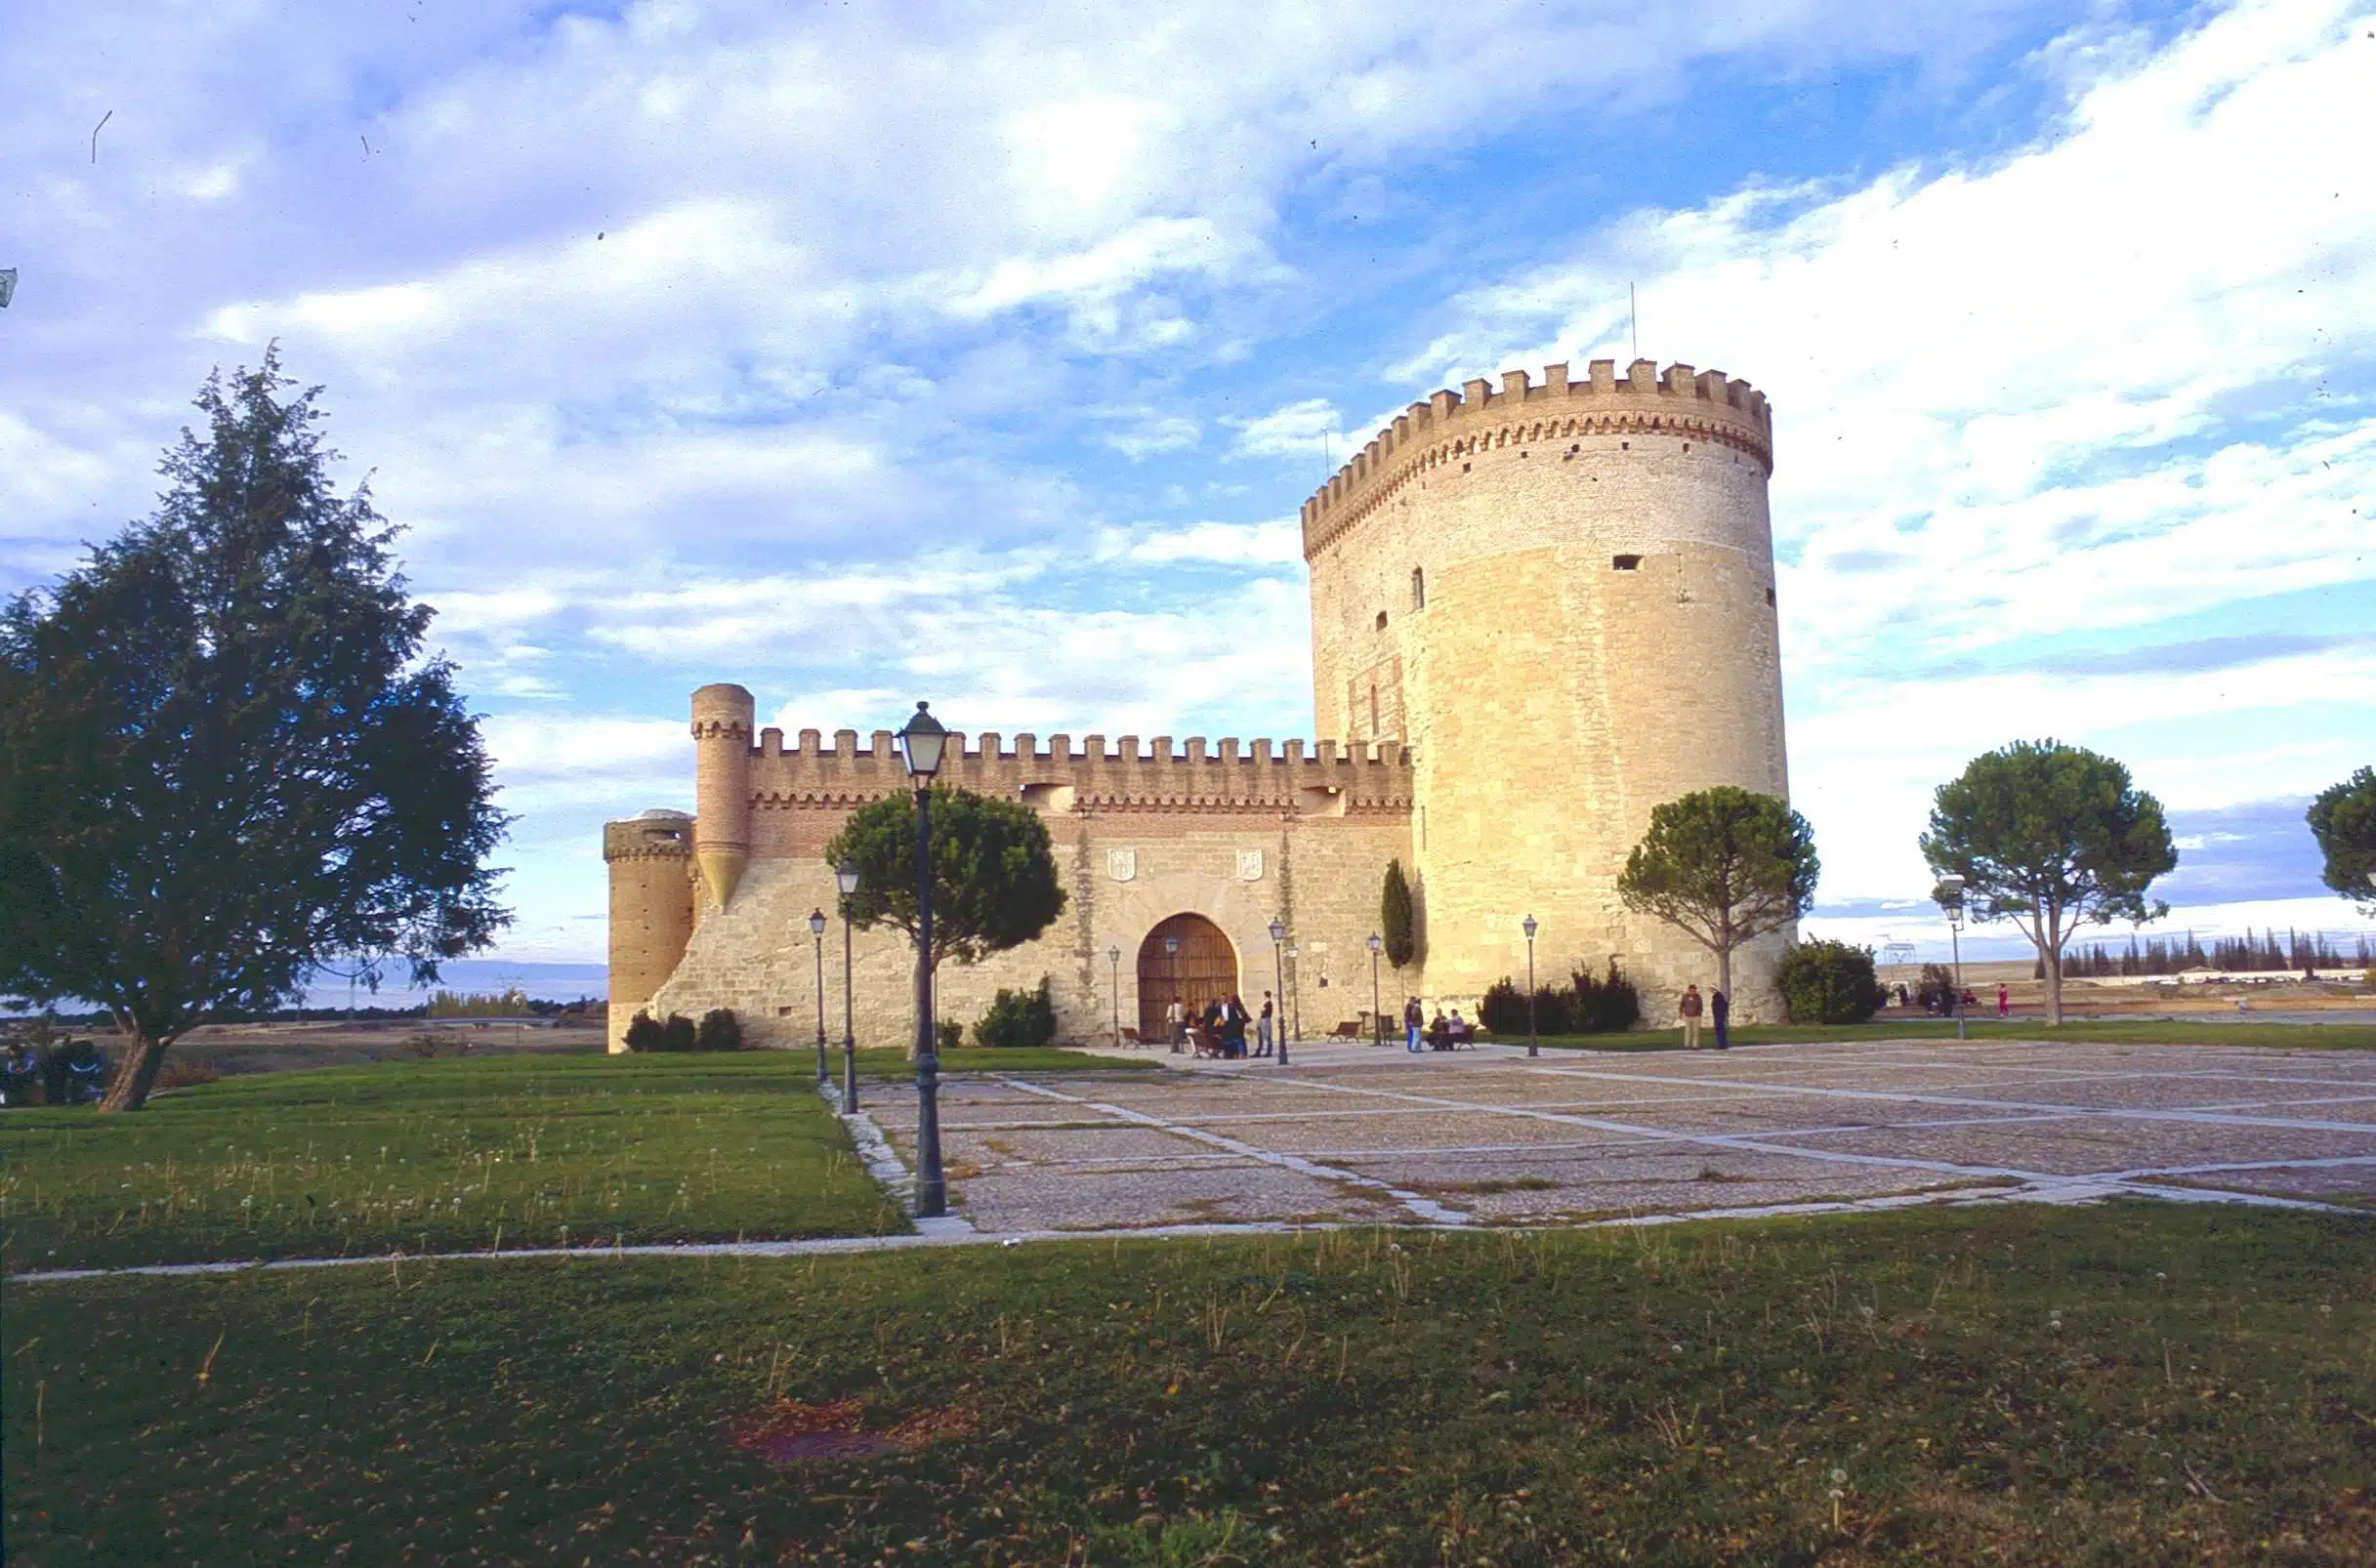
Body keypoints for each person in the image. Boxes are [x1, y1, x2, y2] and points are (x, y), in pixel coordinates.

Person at [1680, 984, 1704, 1050]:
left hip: (1696, 1017)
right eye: (1692, 990)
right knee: (1687, 1031)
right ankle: (1686, 1045)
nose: (1693, 992)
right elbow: (1682, 1005)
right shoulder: (1685, 996)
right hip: (1687, 1016)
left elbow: (1700, 1006)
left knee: (1695, 1031)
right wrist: (1681, 1013)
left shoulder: (1698, 997)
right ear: (1689, 990)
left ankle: (1695, 1045)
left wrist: (1699, 1014)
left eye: (1694, 990)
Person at [1711, 987, 1730, 1051]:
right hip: (1720, 1015)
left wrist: (1720, 1012)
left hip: (1718, 1015)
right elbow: (1726, 1005)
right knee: (1722, 1030)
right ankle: (1724, 1044)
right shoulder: (1720, 997)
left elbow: (1719, 1006)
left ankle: (1721, 1045)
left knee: (1719, 1030)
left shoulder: (1717, 997)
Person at [1256, 992, 1274, 1056]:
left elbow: (1263, 1012)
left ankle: (1268, 1051)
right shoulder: (1266, 1003)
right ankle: (1259, 1051)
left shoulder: (1268, 1003)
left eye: (1264, 995)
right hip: (1263, 1019)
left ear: (1266, 996)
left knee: (1267, 1036)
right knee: (1260, 1036)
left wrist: (1262, 1010)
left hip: (1266, 1020)